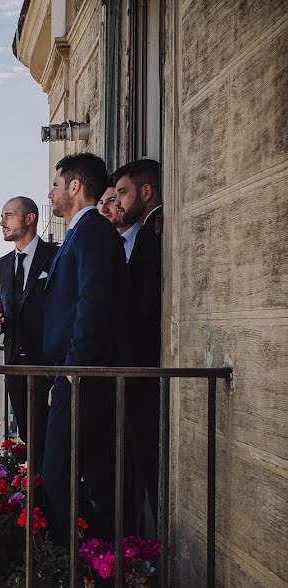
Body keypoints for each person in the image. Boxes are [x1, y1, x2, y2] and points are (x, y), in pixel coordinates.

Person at [41, 153, 131, 545]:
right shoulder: (82, 232)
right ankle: (93, 563)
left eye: (57, 185)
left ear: (75, 187)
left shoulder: (92, 230)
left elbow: (90, 305)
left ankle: (72, 566)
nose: (51, 192)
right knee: (87, 474)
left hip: (84, 377)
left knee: (57, 472)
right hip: (75, 374)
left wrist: (71, 370)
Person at [113, 158, 163, 530]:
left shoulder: (150, 235)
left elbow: (143, 309)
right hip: (141, 367)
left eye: (124, 192)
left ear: (146, 192)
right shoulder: (148, 232)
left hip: (143, 367)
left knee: (149, 462)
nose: (117, 200)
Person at [0, 196, 57, 462]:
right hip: (14, 365)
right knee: (30, 437)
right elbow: (2, 307)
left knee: (51, 439)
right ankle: (37, 497)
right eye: (2, 216)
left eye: (8, 215)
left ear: (30, 218)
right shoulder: (1, 265)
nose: (2, 222)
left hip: (47, 366)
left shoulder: (55, 256)